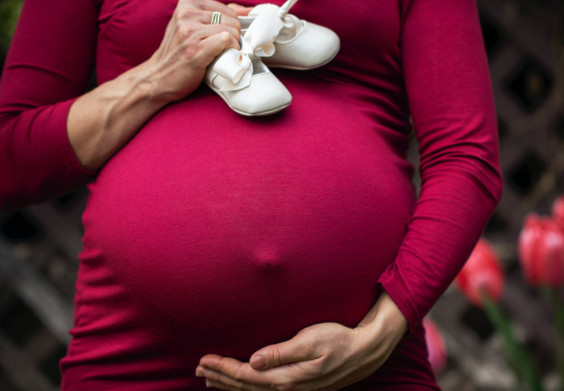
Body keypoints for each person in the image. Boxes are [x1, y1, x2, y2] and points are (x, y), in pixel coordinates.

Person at [0, 0, 503, 389]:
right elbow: (10, 158)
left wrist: (381, 333)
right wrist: (153, 78)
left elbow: (465, 155)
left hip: (365, 366)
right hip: (133, 360)